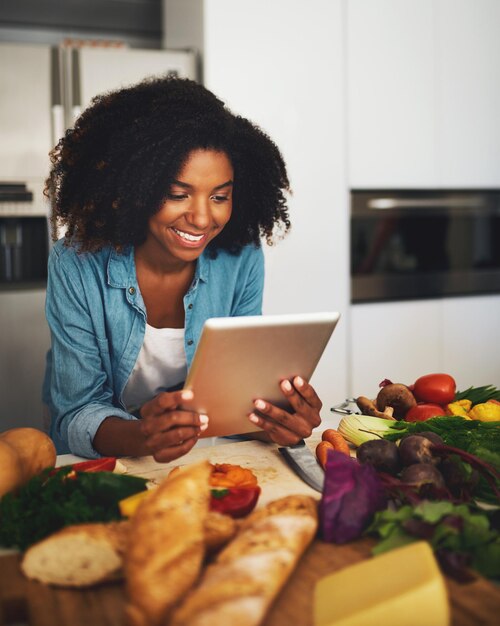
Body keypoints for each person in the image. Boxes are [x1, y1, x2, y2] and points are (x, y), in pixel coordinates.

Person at [43, 76, 323, 461]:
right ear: (133, 188)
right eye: (178, 194)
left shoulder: (241, 258)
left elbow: (236, 398)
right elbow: (74, 413)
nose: (202, 218)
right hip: (106, 470)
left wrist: (276, 421)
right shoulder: (77, 263)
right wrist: (142, 435)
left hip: (204, 462)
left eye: (220, 196)